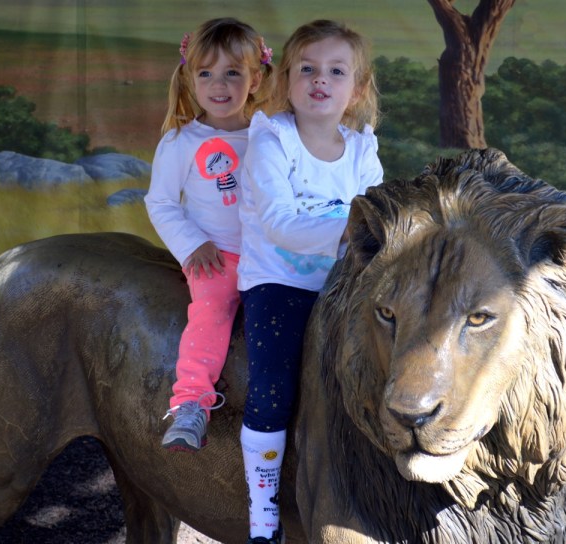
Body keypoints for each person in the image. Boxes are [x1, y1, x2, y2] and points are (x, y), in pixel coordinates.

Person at [237, 19, 383, 543]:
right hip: (279, 280)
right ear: (286, 81)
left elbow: (378, 212)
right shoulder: (272, 141)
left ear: (356, 89)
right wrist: (354, 228)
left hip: (344, 282)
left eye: (336, 71)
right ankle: (264, 507)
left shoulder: (362, 148)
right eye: (308, 69)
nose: (321, 80)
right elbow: (279, 223)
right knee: (272, 386)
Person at [144, 18, 274, 453]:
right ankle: (190, 405)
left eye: (232, 73)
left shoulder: (269, 136)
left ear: (254, 79)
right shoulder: (181, 141)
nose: (219, 85)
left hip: (267, 255)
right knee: (212, 314)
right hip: (215, 256)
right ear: (189, 78)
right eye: (206, 73)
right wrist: (192, 244)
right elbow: (160, 203)